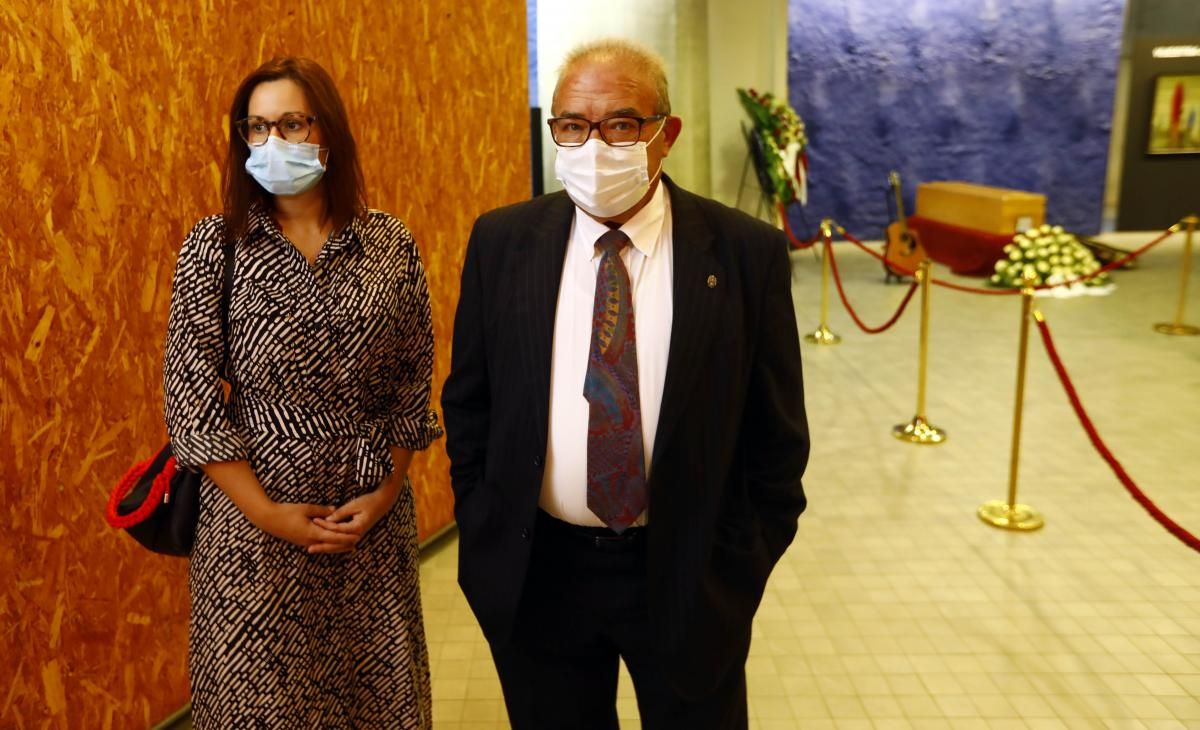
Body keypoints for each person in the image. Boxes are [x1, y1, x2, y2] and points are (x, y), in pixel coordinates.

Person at [442, 38, 809, 730]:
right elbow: (471, 402)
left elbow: (778, 440)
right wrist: (484, 518)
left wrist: (736, 568)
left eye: (619, 124)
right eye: (572, 126)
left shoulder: (743, 253)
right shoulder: (503, 242)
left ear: (664, 134)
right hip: (540, 571)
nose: (592, 147)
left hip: (685, 573)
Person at [163, 56, 441, 729]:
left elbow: (412, 382)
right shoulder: (217, 244)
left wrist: (383, 494)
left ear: (328, 131)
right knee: (263, 707)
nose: (274, 142)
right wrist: (269, 514)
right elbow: (191, 394)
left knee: (375, 702)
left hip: (367, 516)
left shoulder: (388, 243)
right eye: (256, 127)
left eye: (291, 122)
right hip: (254, 521)